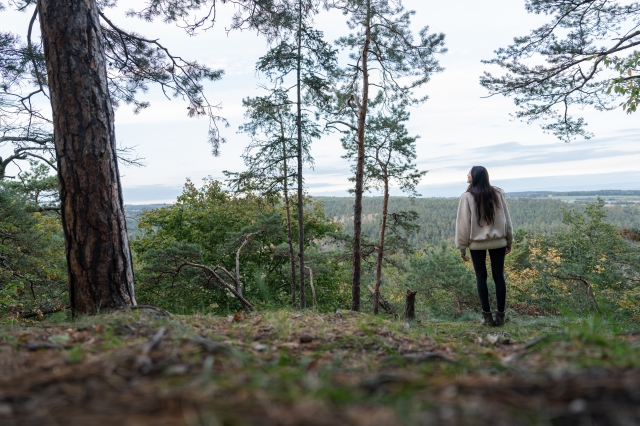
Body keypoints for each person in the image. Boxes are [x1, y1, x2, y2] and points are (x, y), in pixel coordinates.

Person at [455, 166, 513, 326]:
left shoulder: (467, 197)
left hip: (476, 244)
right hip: (498, 242)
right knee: (498, 277)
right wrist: (509, 240)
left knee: (481, 277)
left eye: (469, 173)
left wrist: (462, 247)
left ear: (474, 176)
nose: (467, 175)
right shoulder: (497, 194)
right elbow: (506, 220)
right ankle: (500, 316)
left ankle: (487, 317)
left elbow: (463, 225)